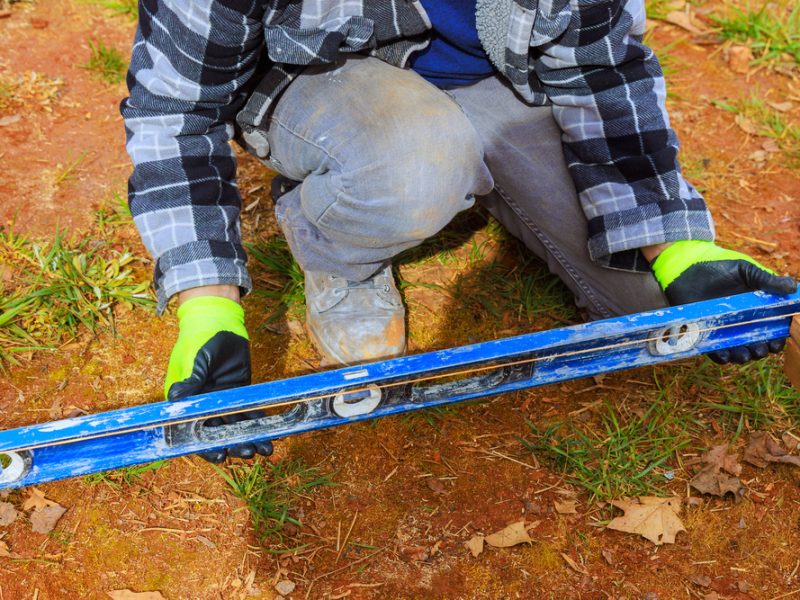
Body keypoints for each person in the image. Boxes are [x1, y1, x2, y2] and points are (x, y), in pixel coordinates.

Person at [122, 0, 796, 463]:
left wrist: (676, 244)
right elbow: (176, 108)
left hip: (498, 85)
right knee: (416, 163)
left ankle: (473, 166)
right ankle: (343, 248)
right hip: (322, 86)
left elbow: (605, 71)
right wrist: (207, 306)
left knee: (651, 310)